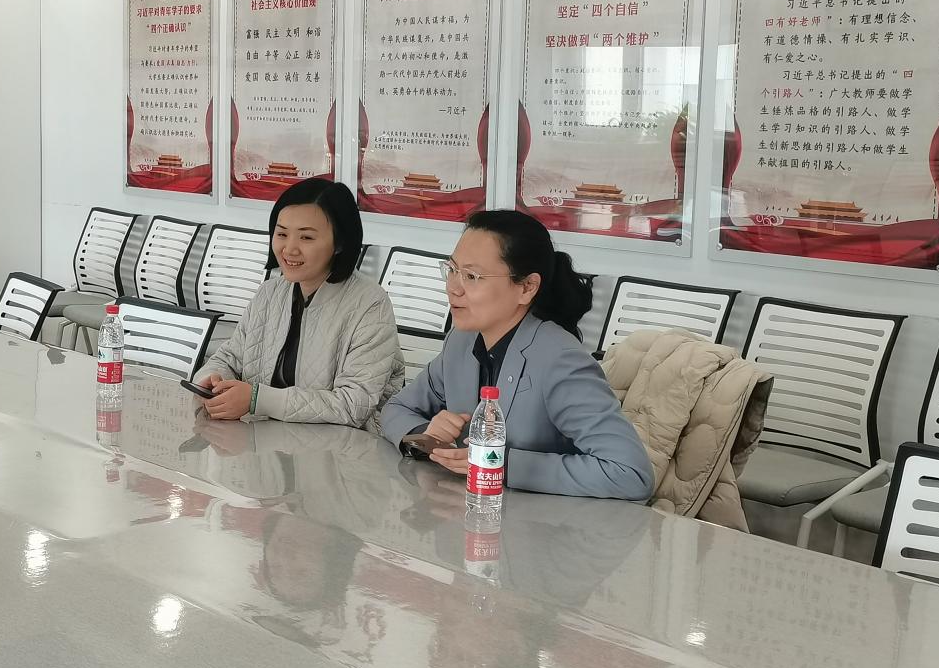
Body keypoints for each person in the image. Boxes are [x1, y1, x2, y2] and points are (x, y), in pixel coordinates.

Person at [380, 210, 653, 501]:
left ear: (526, 287)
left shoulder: (562, 361)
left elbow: (631, 474)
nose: (453, 288)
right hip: (468, 508)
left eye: (472, 276)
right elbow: (396, 409)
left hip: (547, 522)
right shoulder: (461, 341)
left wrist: (502, 465)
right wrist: (427, 433)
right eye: (452, 270)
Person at [195, 178, 404, 429]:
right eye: (282, 234)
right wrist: (212, 380)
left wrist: (257, 400)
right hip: (266, 441)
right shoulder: (269, 293)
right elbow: (229, 358)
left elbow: (353, 405)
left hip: (342, 447)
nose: (289, 249)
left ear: (339, 243)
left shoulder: (371, 305)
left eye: (306, 237)